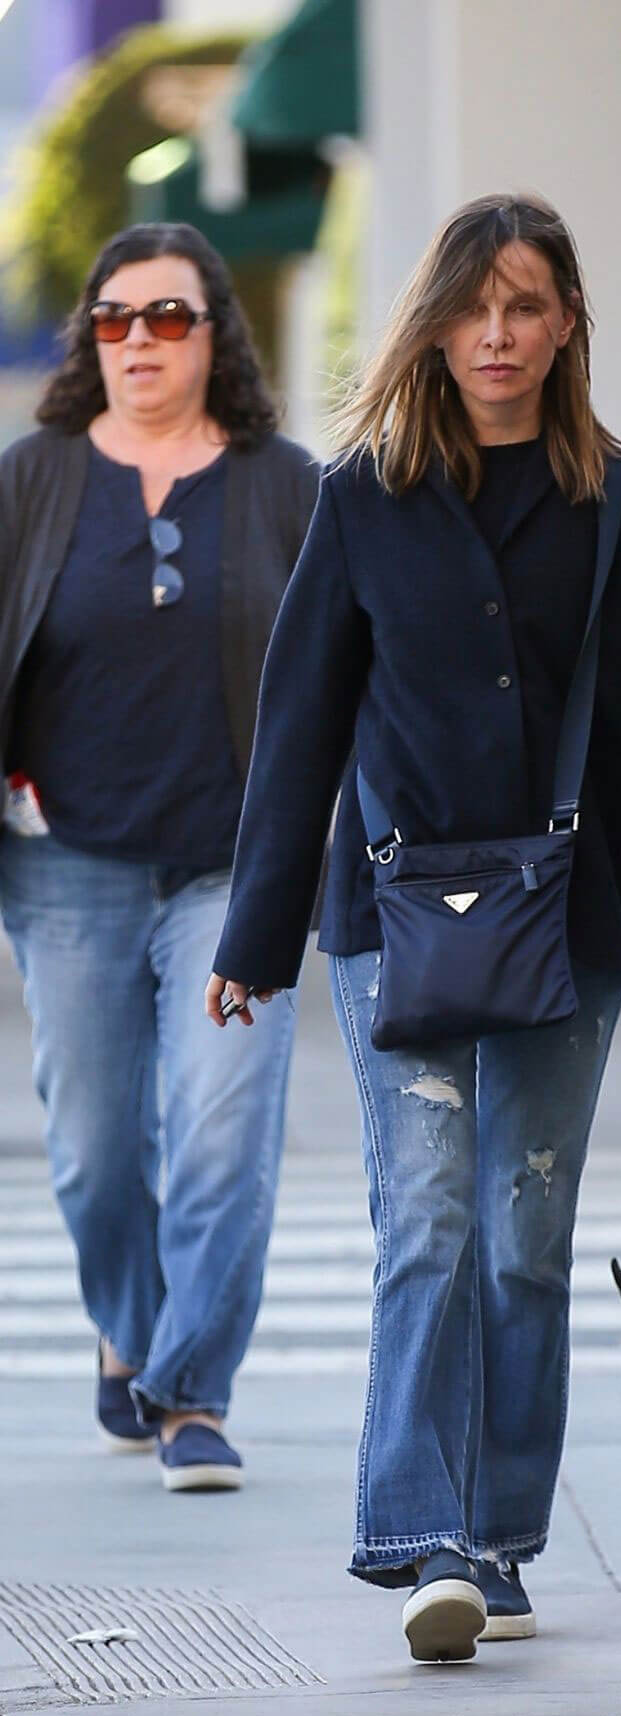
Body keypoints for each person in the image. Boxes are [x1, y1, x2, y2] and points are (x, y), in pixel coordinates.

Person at [207, 193, 621, 1657]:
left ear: (568, 319)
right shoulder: (362, 496)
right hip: (400, 919)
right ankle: (425, 1536)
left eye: (527, 304)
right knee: (430, 1219)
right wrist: (255, 943)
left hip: (568, 928)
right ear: (435, 323)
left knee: (523, 1236)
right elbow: (300, 727)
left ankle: (500, 1536)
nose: (498, 332)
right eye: (474, 305)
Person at [0, 223, 318, 1491]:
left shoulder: (286, 483)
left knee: (223, 1134)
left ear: (214, 334)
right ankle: (128, 1329)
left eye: (169, 317)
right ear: (93, 337)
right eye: (117, 318)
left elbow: (345, 657)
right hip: (65, 862)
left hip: (234, 866)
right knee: (91, 1146)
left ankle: (190, 1391)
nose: (140, 339)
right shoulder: (30, 480)